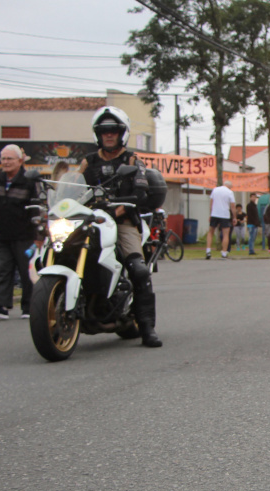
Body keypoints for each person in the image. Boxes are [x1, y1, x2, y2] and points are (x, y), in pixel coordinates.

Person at [77, 106, 161, 347]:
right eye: (104, 131)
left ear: (122, 133)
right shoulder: (88, 162)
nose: (109, 135)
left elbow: (141, 192)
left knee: (139, 270)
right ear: (97, 134)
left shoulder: (132, 160)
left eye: (113, 130)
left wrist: (119, 209)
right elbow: (73, 186)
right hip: (90, 221)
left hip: (122, 222)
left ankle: (147, 328)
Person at [0, 145, 36, 320]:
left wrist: (37, 234)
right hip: (3, 234)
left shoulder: (29, 181)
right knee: (4, 270)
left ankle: (28, 307)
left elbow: (36, 209)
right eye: (3, 159)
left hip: (25, 235)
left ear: (19, 161)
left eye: (9, 159)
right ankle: (2, 306)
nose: (5, 162)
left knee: (26, 272)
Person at [206, 180, 235, 259]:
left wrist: (210, 214)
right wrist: (234, 217)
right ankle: (224, 252)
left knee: (211, 232)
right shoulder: (230, 192)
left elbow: (211, 203)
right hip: (224, 214)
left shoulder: (215, 190)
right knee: (226, 234)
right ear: (229, 186)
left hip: (215, 213)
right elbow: (232, 206)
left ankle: (208, 250)